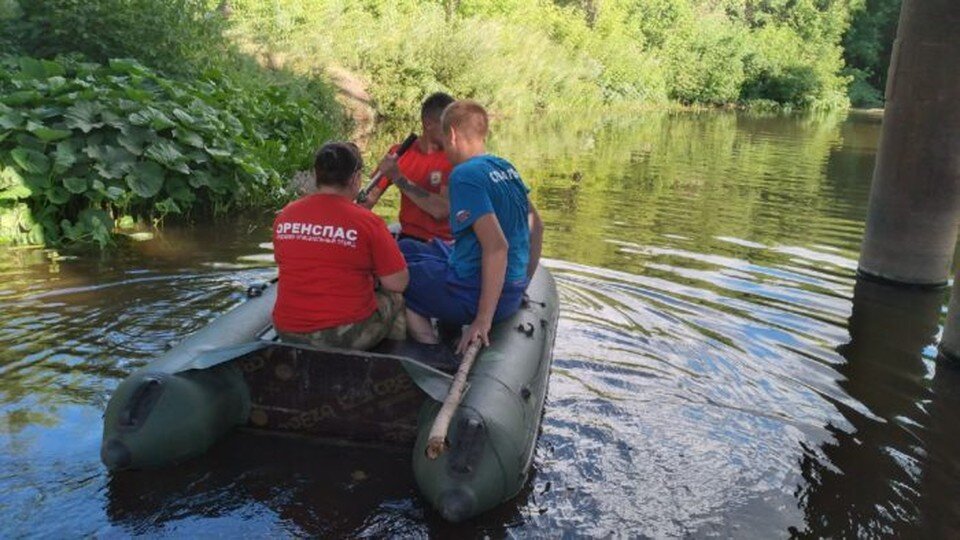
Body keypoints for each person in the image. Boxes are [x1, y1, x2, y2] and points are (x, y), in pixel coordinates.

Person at [403, 100, 544, 353]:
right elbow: (537, 226)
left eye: (444, 142)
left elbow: (497, 247)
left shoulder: (463, 176)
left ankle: (431, 351)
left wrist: (483, 320)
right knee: (408, 249)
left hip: (473, 291)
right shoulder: (505, 167)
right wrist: (521, 284)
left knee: (398, 277)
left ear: (453, 135)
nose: (443, 151)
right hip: (510, 291)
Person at [272, 142, 409, 350]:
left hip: (287, 330)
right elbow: (398, 283)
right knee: (395, 298)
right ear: (355, 178)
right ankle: (392, 363)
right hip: (341, 335)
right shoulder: (367, 222)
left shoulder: (285, 215)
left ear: (316, 175)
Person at [359, 92, 456, 243]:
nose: (454, 134)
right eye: (448, 127)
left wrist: (399, 179)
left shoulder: (454, 159)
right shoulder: (399, 153)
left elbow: (441, 209)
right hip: (407, 235)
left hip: (444, 244)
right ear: (428, 124)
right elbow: (369, 199)